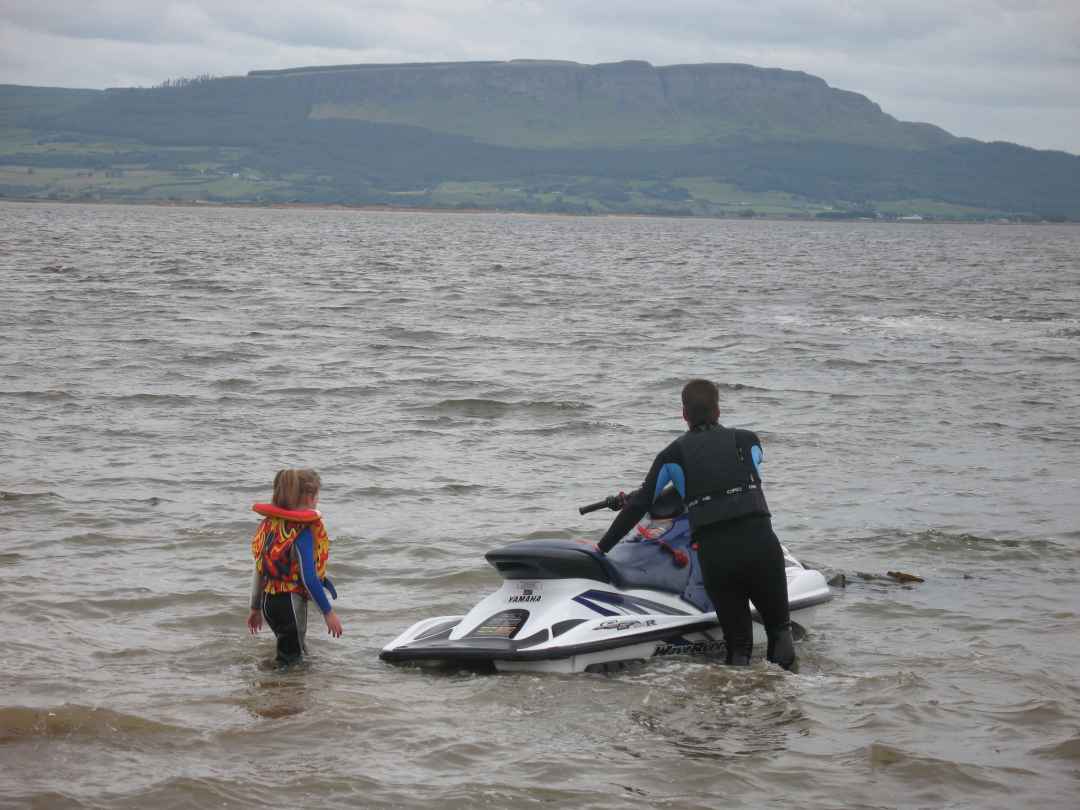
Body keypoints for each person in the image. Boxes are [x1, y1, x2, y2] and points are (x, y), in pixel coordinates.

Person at [597, 379, 796, 670]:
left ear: (684, 415)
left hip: (717, 555)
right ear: (717, 410)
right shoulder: (748, 440)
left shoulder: (672, 455)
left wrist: (602, 547)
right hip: (760, 545)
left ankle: (735, 707)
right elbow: (736, 472)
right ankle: (788, 706)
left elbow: (641, 503)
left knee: (738, 647)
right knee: (779, 631)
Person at [246, 468, 343, 665]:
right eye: (317, 498)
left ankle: (274, 684)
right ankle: (282, 691)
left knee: (291, 649)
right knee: (291, 660)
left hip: (268, 602)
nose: (317, 502)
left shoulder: (268, 525)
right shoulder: (302, 532)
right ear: (309, 498)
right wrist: (328, 612)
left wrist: (255, 608)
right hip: (290, 603)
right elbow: (308, 579)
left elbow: (259, 570)